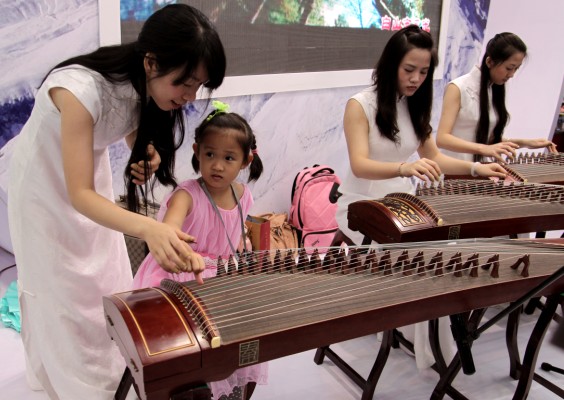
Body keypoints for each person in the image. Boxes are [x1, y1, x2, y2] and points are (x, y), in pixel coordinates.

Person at [7, 4, 225, 399]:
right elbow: (78, 195)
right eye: (185, 83)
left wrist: (145, 154)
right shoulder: (78, 90)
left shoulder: (144, 83)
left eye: (199, 86)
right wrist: (151, 228)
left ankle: (112, 375)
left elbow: (125, 129)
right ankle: (77, 386)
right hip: (46, 189)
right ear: (151, 62)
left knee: (104, 278)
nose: (190, 96)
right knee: (63, 291)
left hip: (88, 180)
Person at [133, 102, 267, 399]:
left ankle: (227, 380)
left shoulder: (244, 195)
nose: (217, 165)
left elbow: (233, 233)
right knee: (192, 340)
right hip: (179, 271)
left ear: (245, 162)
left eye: (228, 158)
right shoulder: (186, 195)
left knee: (249, 326)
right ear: (196, 151)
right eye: (210, 155)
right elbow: (169, 234)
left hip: (219, 274)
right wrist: (186, 252)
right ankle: (189, 385)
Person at [336, 25, 507, 247]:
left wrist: (476, 169)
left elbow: (434, 156)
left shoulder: (414, 106)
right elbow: (359, 166)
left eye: (423, 72)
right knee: (404, 251)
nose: (416, 79)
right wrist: (403, 168)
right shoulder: (360, 105)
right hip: (362, 204)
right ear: (391, 65)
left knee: (443, 244)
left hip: (402, 201)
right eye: (408, 69)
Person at [436, 32, 557, 162]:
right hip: (454, 170)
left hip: (482, 169)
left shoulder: (493, 89)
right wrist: (483, 149)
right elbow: (442, 139)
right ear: (489, 62)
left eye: (516, 69)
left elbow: (486, 140)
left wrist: (525, 143)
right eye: (509, 68)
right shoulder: (457, 88)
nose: (511, 75)